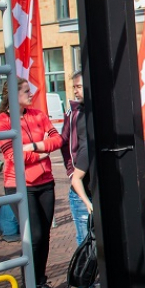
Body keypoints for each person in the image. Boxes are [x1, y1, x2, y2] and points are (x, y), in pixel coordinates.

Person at [0, 79, 64, 288]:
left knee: (44, 236)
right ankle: (29, 287)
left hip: (46, 182)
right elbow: (14, 157)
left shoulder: (38, 115)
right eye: (26, 91)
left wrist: (33, 147)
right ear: (13, 95)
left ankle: (40, 282)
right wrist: (42, 152)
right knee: (34, 236)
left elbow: (58, 139)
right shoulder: (2, 123)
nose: (31, 93)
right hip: (20, 186)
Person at [60, 71, 94, 247]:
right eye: (74, 87)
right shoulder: (75, 115)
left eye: (79, 87)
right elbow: (63, 142)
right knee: (85, 242)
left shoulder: (90, 113)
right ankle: (84, 275)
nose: (75, 91)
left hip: (88, 184)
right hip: (80, 185)